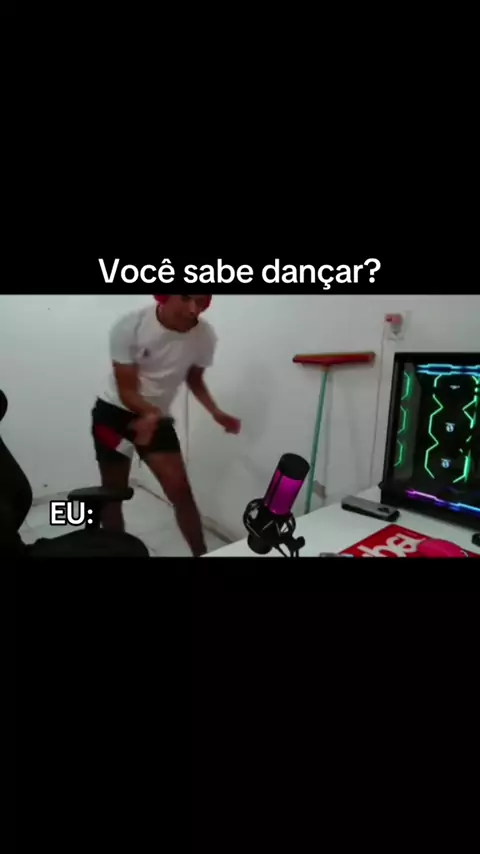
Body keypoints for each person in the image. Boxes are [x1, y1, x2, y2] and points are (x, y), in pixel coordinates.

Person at [91, 295, 241, 556]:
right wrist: (149, 413)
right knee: (113, 494)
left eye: (202, 301)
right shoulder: (130, 326)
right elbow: (126, 390)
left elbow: (194, 379)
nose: (194, 309)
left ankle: (202, 555)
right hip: (113, 415)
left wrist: (215, 411)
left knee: (180, 491)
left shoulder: (204, 336)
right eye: (185, 298)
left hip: (156, 418)